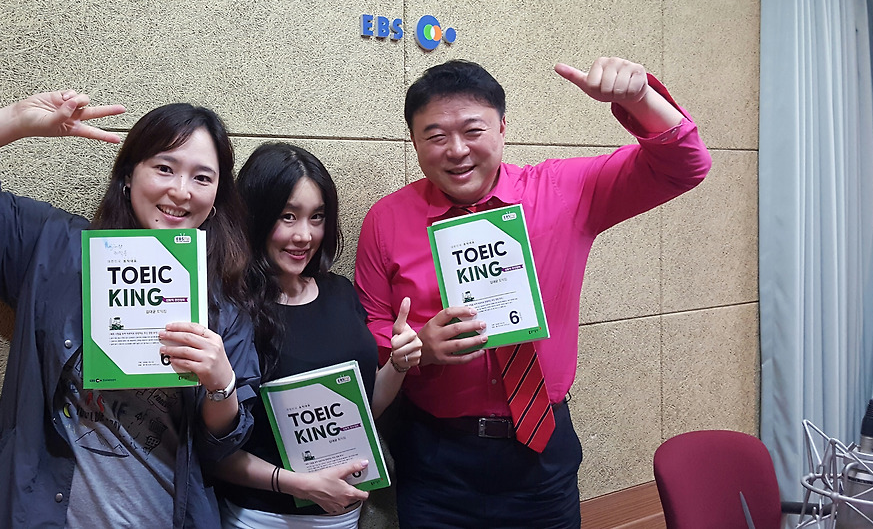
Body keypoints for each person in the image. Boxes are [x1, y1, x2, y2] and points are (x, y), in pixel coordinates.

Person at [354, 58, 712, 528]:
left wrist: (639, 98)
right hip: (435, 458)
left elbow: (685, 166)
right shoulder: (386, 220)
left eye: (473, 131)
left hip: (541, 454)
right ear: (415, 141)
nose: (457, 150)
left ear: (503, 128)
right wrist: (419, 349)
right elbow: (372, 330)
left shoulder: (562, 191)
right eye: (435, 136)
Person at [0, 90, 260, 528]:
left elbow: (217, 450)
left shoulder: (223, 303)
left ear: (216, 195)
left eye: (202, 177)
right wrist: (17, 120)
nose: (180, 190)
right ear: (128, 175)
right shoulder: (54, 248)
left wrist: (221, 384)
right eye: (164, 168)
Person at [209, 143, 422, 529]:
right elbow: (214, 448)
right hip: (261, 517)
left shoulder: (340, 292)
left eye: (317, 217)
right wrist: (300, 485)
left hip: (346, 514)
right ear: (256, 216)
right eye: (288, 217)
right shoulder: (229, 309)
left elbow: (361, 410)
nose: (304, 235)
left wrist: (399, 364)